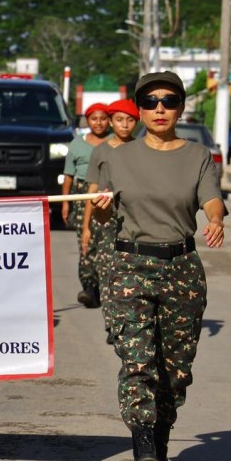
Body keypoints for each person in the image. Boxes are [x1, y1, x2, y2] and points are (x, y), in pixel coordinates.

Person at [91, 71, 225, 461]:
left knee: (175, 369)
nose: (160, 108)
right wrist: (99, 206)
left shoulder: (197, 155)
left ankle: (161, 446)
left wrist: (216, 220)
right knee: (138, 359)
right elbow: (101, 210)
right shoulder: (115, 157)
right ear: (139, 109)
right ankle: (144, 448)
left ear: (181, 107)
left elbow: (212, 200)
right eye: (150, 102)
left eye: (169, 100)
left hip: (181, 269)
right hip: (129, 266)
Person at [81, 99, 139, 315]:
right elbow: (93, 191)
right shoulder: (100, 151)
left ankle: (129, 319)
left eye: (130, 120)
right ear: (111, 122)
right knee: (106, 271)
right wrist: (86, 227)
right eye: (119, 120)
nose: (124, 125)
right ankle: (112, 323)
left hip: (136, 220)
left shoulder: (141, 150)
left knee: (132, 273)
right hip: (108, 219)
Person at [62, 103, 111, 308]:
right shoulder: (76, 145)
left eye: (102, 118)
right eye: (94, 119)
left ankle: (105, 287)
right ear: (87, 121)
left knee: (107, 241)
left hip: (107, 192)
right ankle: (89, 286)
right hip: (82, 195)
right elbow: (68, 175)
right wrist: (65, 202)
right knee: (86, 241)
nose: (98, 123)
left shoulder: (115, 142)